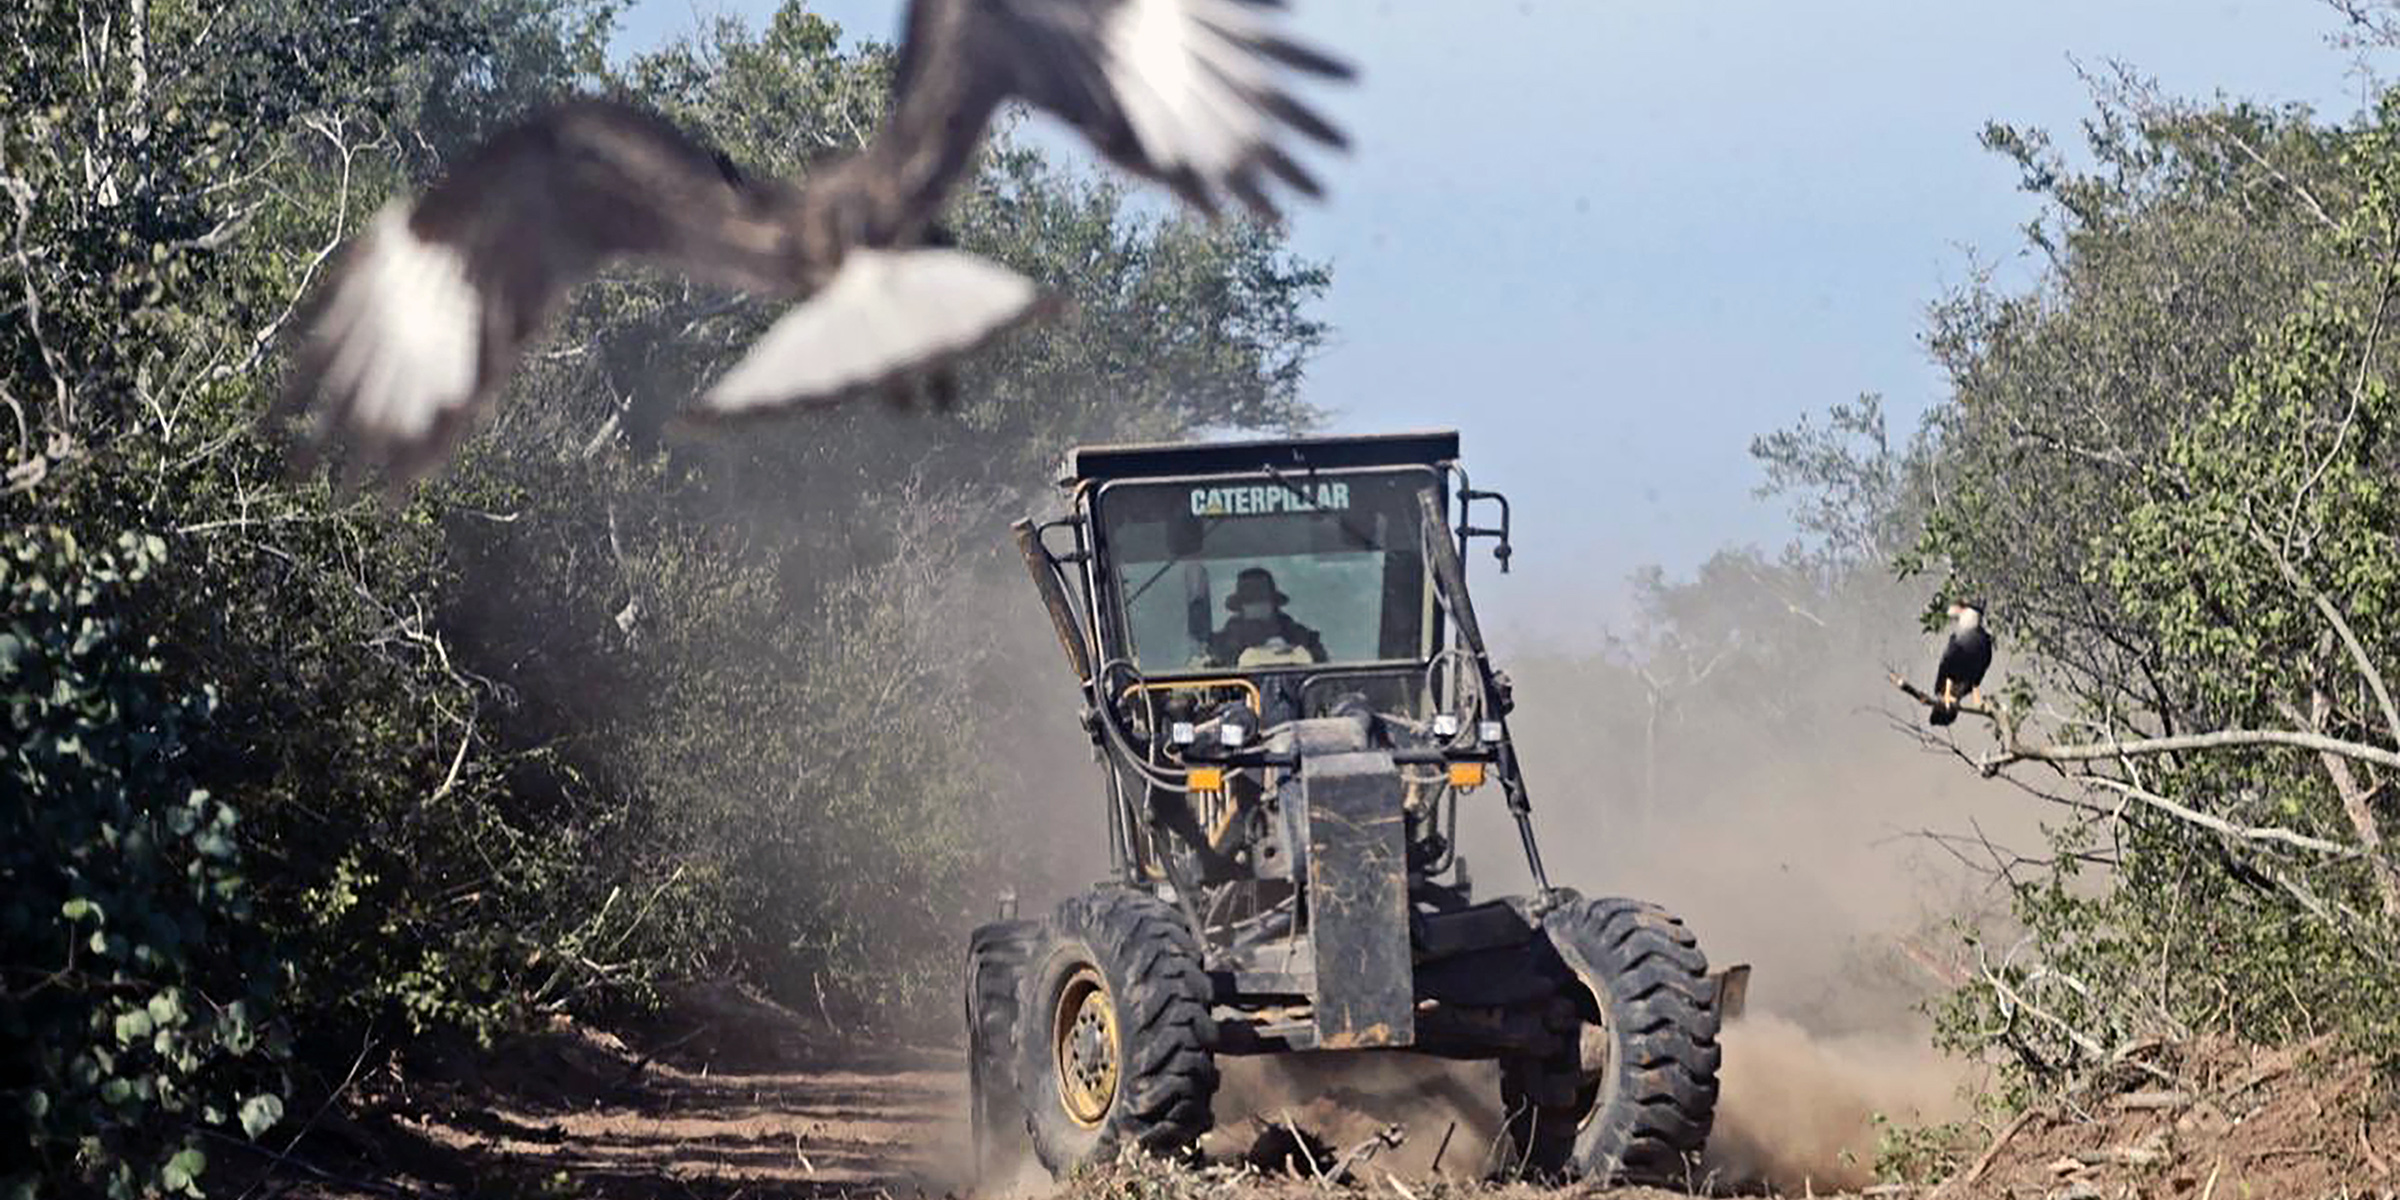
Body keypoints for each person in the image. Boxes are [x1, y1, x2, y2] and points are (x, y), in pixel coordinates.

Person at [1208, 567, 1327, 666]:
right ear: (1241, 606)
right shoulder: (1221, 645)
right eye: (1250, 601)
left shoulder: (1301, 637)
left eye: (1262, 599)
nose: (1257, 605)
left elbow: (1322, 667)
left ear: (1273, 603)